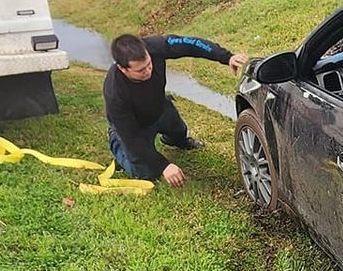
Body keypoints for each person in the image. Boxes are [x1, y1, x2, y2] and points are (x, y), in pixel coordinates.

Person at [103, 34, 248, 187]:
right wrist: (164, 166)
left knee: (180, 131)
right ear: (122, 69)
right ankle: (117, 143)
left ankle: (174, 140)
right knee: (145, 172)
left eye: (149, 64)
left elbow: (192, 44)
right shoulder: (115, 93)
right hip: (134, 127)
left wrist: (227, 57)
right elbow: (132, 139)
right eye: (140, 70)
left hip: (159, 107)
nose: (148, 70)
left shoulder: (154, 46)